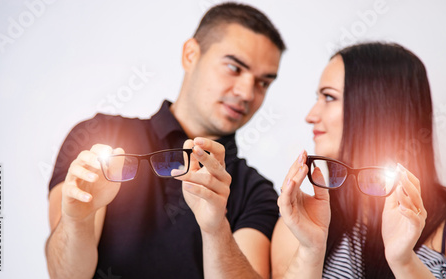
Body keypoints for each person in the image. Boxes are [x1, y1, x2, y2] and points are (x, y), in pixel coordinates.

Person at [45, 3, 285, 278]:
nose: (246, 92)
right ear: (190, 55)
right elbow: (65, 275)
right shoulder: (100, 137)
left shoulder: (257, 192)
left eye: (263, 83)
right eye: (234, 67)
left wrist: (216, 228)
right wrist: (79, 220)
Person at [271, 42, 446, 278]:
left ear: (380, 107)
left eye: (329, 97)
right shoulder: (302, 220)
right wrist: (310, 251)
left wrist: (403, 262)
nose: (310, 116)